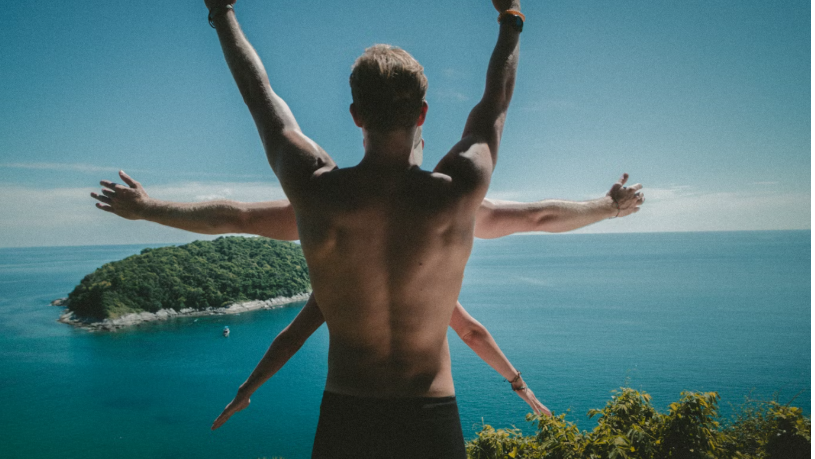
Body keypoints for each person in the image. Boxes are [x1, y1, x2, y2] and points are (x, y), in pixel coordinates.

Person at [184, 0, 634, 455]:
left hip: (348, 414)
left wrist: (222, 12)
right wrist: (510, 18)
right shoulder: (457, 191)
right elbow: (498, 106)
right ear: (421, 114)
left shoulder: (317, 191)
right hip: (430, 417)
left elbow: (259, 97)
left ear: (356, 114)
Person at [90, 169, 644, 424]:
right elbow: (478, 325)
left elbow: (239, 226)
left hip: (349, 413)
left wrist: (150, 208)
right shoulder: (434, 265)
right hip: (429, 412)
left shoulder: (338, 266)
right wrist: (608, 206)